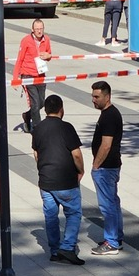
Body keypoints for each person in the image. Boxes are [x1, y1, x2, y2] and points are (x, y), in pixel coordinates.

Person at [31, 95, 85, 265]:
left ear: (45, 110)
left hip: (46, 181)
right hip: (66, 181)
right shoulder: (67, 128)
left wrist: (43, 169)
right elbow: (76, 154)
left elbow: (36, 154)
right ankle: (68, 248)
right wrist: (80, 170)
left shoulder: (38, 128)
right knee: (73, 213)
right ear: (61, 109)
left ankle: (54, 250)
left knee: (51, 216)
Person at [89, 81, 123, 255]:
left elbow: (106, 145)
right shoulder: (109, 113)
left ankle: (111, 242)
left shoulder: (109, 116)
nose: (93, 100)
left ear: (107, 97)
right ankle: (116, 236)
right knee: (113, 202)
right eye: (93, 96)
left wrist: (96, 165)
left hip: (106, 168)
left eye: (97, 97)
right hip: (111, 166)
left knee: (107, 205)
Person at [14, 19, 53, 133]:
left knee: (41, 103)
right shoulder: (26, 41)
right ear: (32, 30)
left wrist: (48, 56)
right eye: (37, 29)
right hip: (28, 76)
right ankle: (37, 129)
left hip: (41, 75)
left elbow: (49, 54)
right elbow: (19, 59)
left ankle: (27, 116)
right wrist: (16, 78)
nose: (39, 31)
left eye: (41, 29)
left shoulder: (46, 40)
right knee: (35, 104)